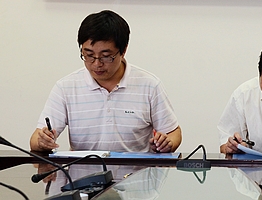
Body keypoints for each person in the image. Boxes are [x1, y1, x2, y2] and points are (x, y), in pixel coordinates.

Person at [30, 10, 181, 153]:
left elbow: (173, 133)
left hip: (136, 171)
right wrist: (42, 141)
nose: (97, 64)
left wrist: (167, 143)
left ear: (123, 50)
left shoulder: (149, 85)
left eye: (106, 56)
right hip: (83, 171)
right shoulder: (65, 87)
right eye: (89, 55)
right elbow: (35, 140)